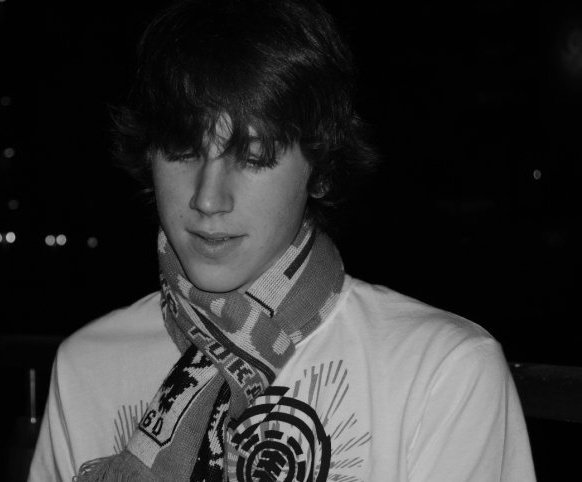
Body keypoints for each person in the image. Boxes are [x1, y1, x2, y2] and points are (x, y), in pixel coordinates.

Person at [28, 0, 536, 480]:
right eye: (182, 151)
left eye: (253, 157)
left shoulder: (443, 370)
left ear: (321, 171)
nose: (208, 198)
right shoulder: (84, 367)